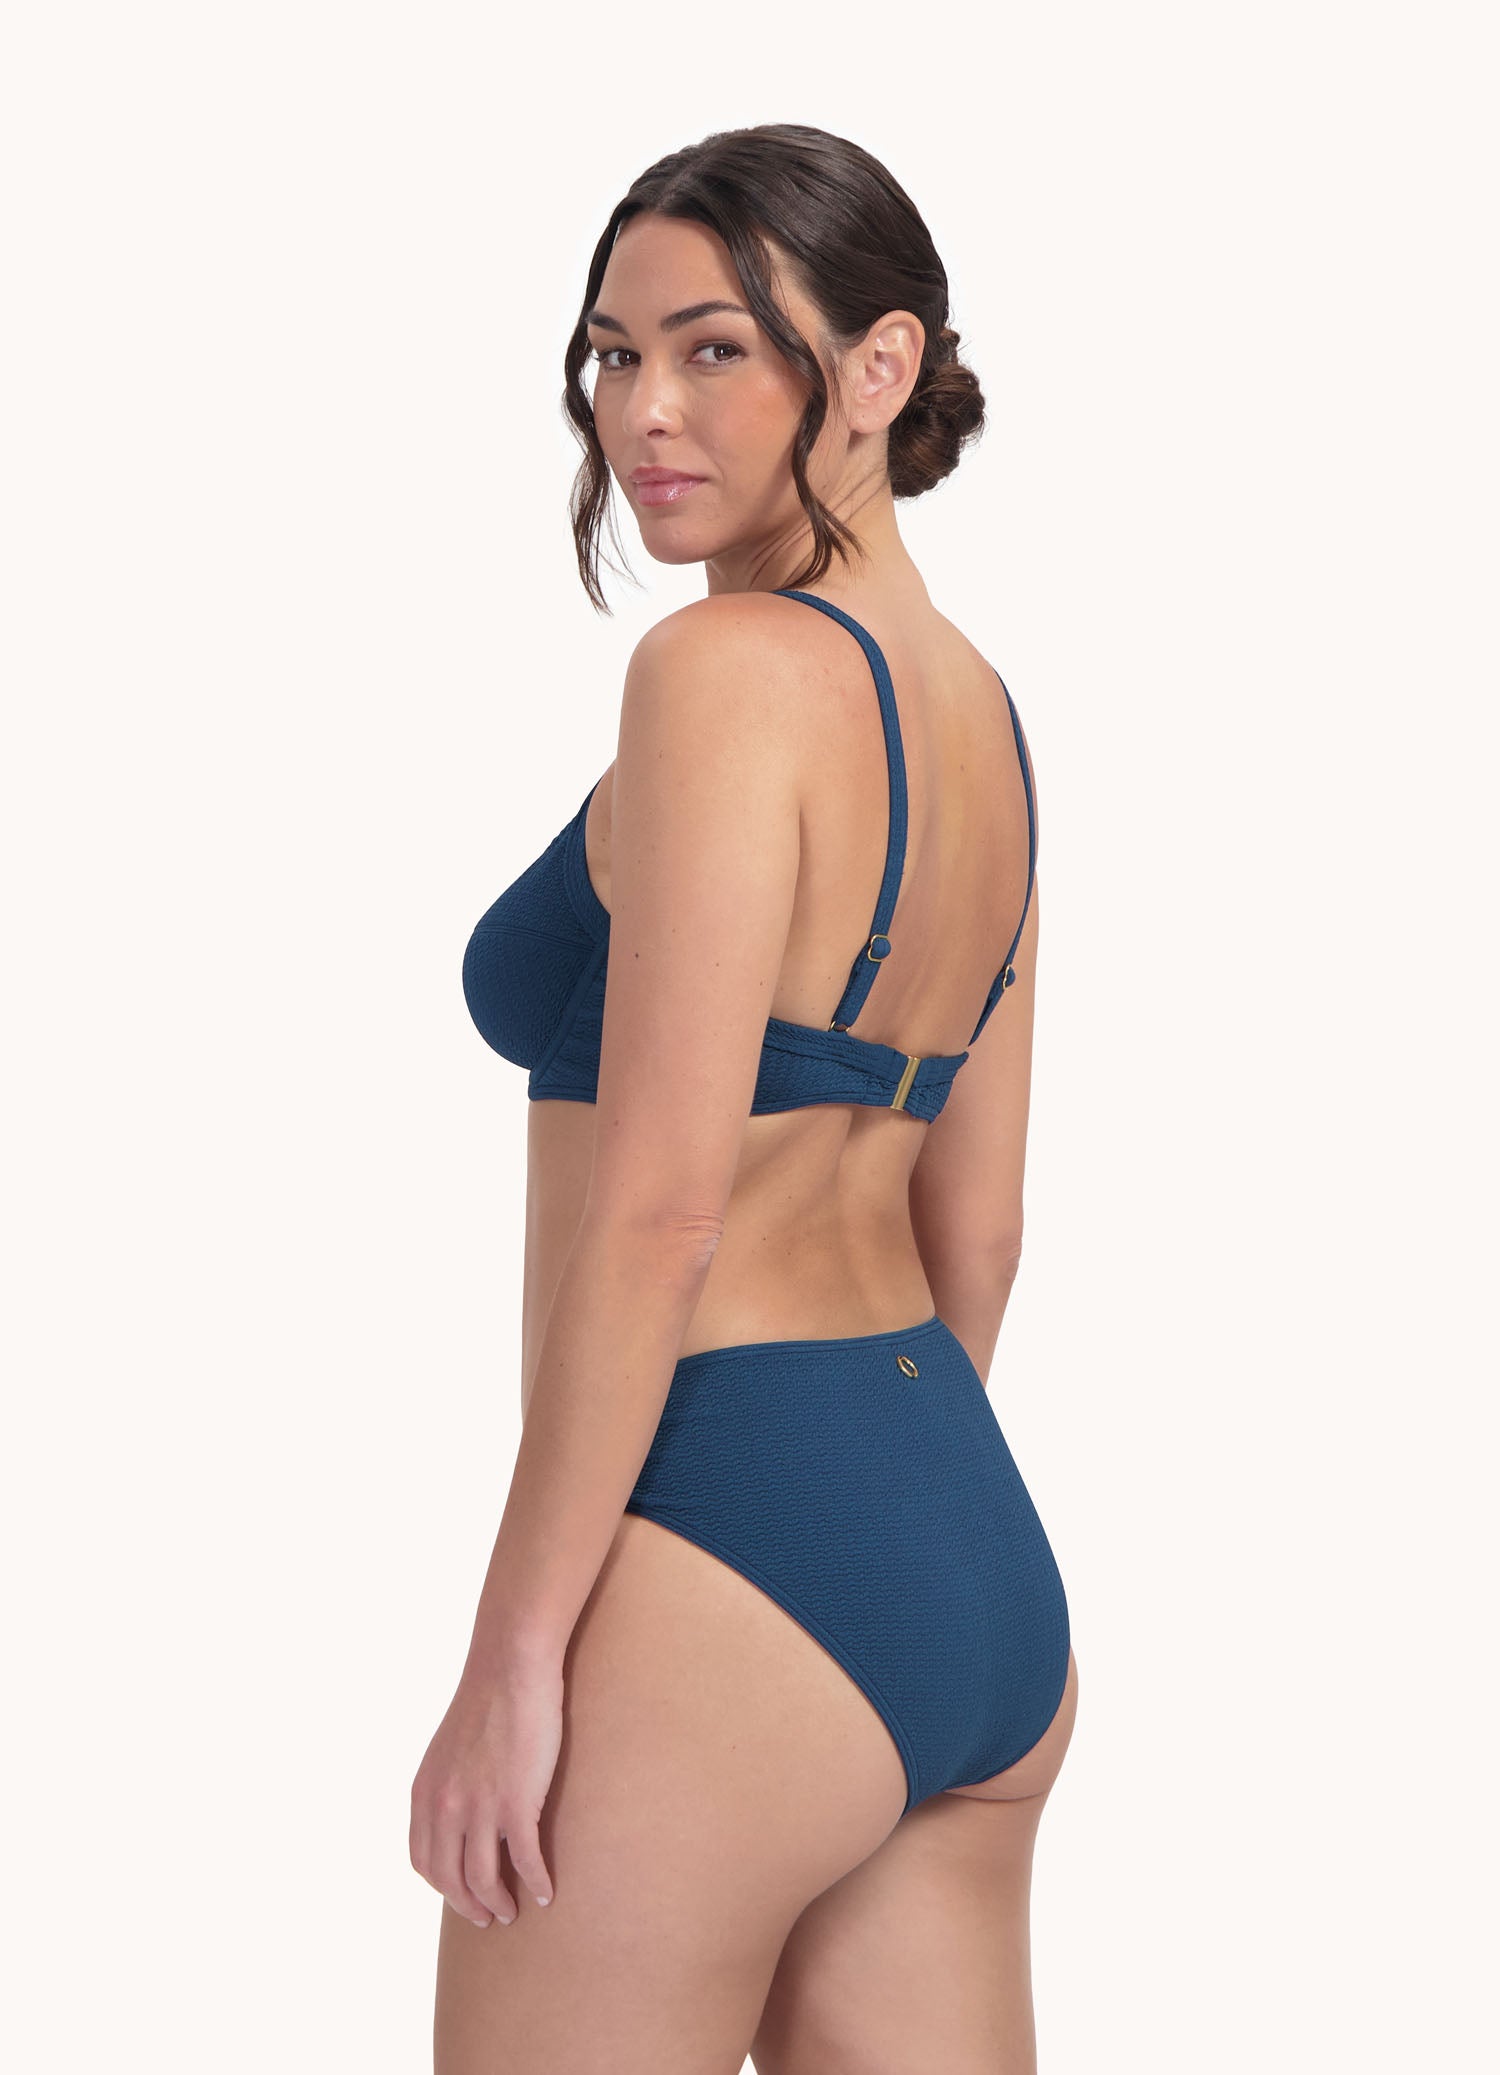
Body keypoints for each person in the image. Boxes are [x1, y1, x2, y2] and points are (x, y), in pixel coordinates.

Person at [411, 121, 1080, 2073]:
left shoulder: (720, 678)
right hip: (962, 1541)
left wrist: (515, 1657)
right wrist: (883, 1527)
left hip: (725, 1536)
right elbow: (982, 1226)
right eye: (615, 353)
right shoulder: (983, 715)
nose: (646, 411)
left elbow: (663, 1212)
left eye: (715, 349)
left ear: (878, 367)